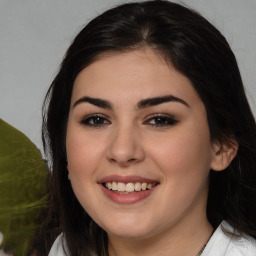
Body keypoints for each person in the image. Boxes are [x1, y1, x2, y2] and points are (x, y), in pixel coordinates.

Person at [40, 0, 256, 255]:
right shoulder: (61, 249)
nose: (122, 151)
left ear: (222, 145)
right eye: (96, 120)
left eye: (159, 120)